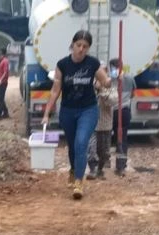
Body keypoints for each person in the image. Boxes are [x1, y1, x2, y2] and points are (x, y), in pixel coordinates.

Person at [42, 30, 111, 200]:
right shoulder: (62, 65)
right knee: (73, 146)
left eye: (85, 46)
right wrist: (46, 113)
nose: (81, 49)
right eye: (78, 45)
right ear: (72, 45)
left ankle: (79, 181)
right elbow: (55, 90)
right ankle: (74, 170)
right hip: (68, 111)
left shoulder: (93, 63)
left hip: (88, 110)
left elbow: (105, 80)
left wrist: (109, 81)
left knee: (81, 143)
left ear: (88, 48)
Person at [87, 62, 117, 180]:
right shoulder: (89, 85)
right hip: (91, 124)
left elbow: (113, 101)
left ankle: (100, 169)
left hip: (105, 124)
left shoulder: (110, 86)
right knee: (92, 148)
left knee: (104, 151)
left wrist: (102, 91)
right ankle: (92, 169)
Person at [109, 57, 135, 176]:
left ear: (112, 67)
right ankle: (121, 166)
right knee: (122, 139)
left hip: (112, 112)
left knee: (107, 138)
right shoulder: (130, 78)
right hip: (125, 111)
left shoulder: (110, 79)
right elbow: (133, 94)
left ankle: (104, 164)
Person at [0, 46, 10, 119]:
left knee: (1, 98)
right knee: (0, 98)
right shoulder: (0, 61)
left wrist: (0, 80)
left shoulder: (5, 61)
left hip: (2, 83)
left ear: (1, 52)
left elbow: (5, 72)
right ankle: (6, 112)